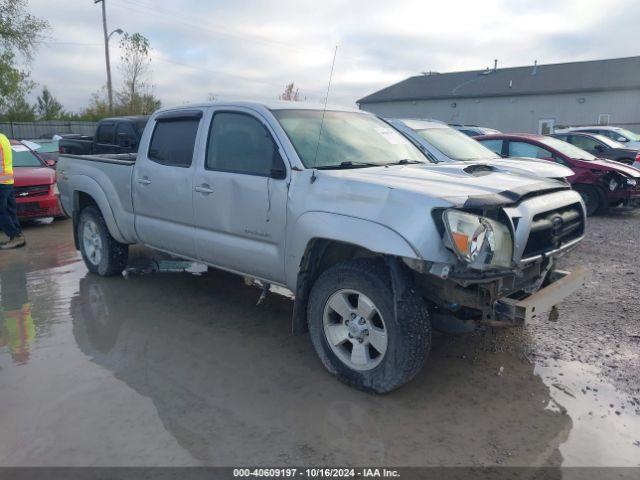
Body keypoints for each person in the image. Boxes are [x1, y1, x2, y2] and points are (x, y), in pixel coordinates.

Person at [0, 133, 26, 249]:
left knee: (2, 211)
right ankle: (17, 236)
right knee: (10, 210)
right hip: (7, 178)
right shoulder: (3, 137)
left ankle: (15, 236)